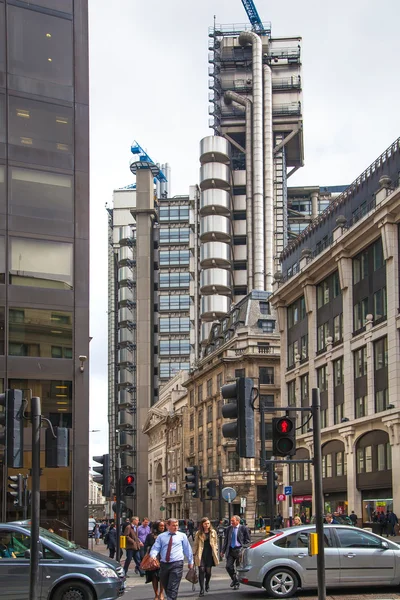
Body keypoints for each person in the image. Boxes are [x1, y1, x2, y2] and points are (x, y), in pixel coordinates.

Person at [150, 517, 193, 600]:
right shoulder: (161, 537)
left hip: (177, 563)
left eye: (176, 525)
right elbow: (156, 547)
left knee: (173, 586)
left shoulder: (182, 536)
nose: (176, 527)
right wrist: (153, 555)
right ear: (167, 526)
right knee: (166, 585)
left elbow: (187, 549)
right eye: (173, 525)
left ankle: (171, 598)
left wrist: (190, 561)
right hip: (164, 564)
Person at [221, 515, 251, 590]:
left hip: (239, 550)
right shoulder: (229, 529)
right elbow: (226, 541)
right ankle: (235, 580)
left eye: (233, 521)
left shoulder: (243, 528)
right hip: (231, 550)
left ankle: (236, 583)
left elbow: (248, 540)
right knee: (228, 567)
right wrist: (223, 551)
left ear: (238, 521)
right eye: (231, 521)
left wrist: (243, 548)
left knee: (238, 568)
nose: (231, 522)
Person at [193, 517, 219, 597]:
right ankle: (202, 590)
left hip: (210, 554)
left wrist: (216, 550)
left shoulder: (213, 532)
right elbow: (196, 544)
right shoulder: (198, 533)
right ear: (202, 524)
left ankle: (207, 583)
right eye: (205, 524)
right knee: (201, 570)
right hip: (201, 554)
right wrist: (194, 554)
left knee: (208, 572)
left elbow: (215, 543)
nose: (207, 525)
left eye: (208, 523)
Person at [144, 520, 165, 600]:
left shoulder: (165, 535)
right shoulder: (150, 536)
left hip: (163, 558)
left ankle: (161, 593)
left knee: (162, 576)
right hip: (153, 559)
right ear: (156, 527)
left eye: (163, 526)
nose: (162, 528)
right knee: (154, 577)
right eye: (161, 526)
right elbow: (146, 546)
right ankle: (156, 594)